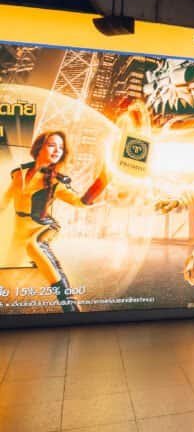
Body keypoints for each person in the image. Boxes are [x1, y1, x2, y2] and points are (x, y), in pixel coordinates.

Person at [1, 131, 108, 314]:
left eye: (61, 148)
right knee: (7, 274)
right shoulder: (18, 173)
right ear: (39, 148)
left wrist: (102, 181)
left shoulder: (56, 182)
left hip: (41, 227)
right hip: (19, 229)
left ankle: (70, 308)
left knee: (34, 246)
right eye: (52, 145)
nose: (57, 150)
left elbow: (79, 202)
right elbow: (5, 200)